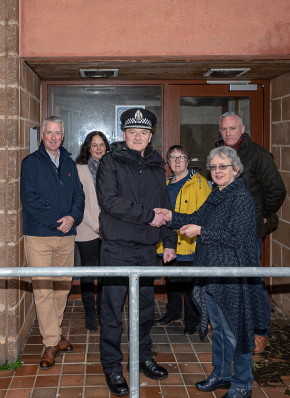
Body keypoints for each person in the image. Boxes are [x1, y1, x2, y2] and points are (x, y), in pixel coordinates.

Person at [155, 146, 266, 398]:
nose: (217, 171)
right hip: (213, 273)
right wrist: (170, 216)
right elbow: (195, 216)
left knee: (236, 329)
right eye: (213, 167)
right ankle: (222, 373)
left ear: (235, 169)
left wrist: (201, 232)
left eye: (223, 166)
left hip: (232, 274)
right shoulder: (217, 194)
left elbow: (235, 238)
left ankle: (242, 383)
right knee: (219, 327)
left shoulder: (241, 197)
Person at [96, 108, 178, 397]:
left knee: (144, 309)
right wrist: (148, 216)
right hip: (117, 247)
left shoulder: (157, 165)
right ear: (124, 134)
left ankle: (143, 356)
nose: (138, 137)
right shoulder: (110, 161)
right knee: (113, 310)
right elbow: (109, 201)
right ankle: (112, 365)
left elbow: (164, 203)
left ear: (150, 136)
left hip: (146, 249)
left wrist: (169, 241)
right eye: (133, 132)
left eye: (143, 133)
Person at [216, 111, 286, 353]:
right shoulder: (221, 153)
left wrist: (264, 213)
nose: (228, 133)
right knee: (230, 282)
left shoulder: (257, 154)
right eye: (224, 129)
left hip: (249, 232)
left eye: (232, 129)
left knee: (252, 282)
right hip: (226, 230)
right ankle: (235, 327)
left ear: (242, 128)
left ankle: (260, 332)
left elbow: (276, 189)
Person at [20, 116, 85, 369]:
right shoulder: (31, 163)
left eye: (58, 133)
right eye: (49, 133)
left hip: (66, 236)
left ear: (63, 134)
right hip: (39, 236)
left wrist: (73, 217)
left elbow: (78, 195)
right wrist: (58, 220)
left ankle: (55, 336)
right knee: (43, 290)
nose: (54, 137)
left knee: (62, 288)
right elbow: (30, 199)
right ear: (42, 135)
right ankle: (50, 343)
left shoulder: (69, 162)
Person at [154, 145, 212, 335]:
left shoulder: (200, 183)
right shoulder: (165, 182)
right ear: (168, 162)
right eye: (173, 158)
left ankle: (192, 320)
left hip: (189, 243)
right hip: (169, 242)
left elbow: (205, 216)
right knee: (171, 280)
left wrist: (199, 243)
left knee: (189, 284)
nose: (177, 161)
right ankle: (172, 313)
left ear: (188, 161)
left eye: (181, 157)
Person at [75, 131, 110, 331]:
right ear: (88, 147)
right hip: (87, 228)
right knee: (88, 272)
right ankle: (89, 312)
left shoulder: (112, 167)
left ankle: (102, 310)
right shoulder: (78, 168)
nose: (98, 148)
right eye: (94, 145)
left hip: (109, 229)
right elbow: (78, 201)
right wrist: (95, 225)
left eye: (102, 144)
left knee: (106, 273)